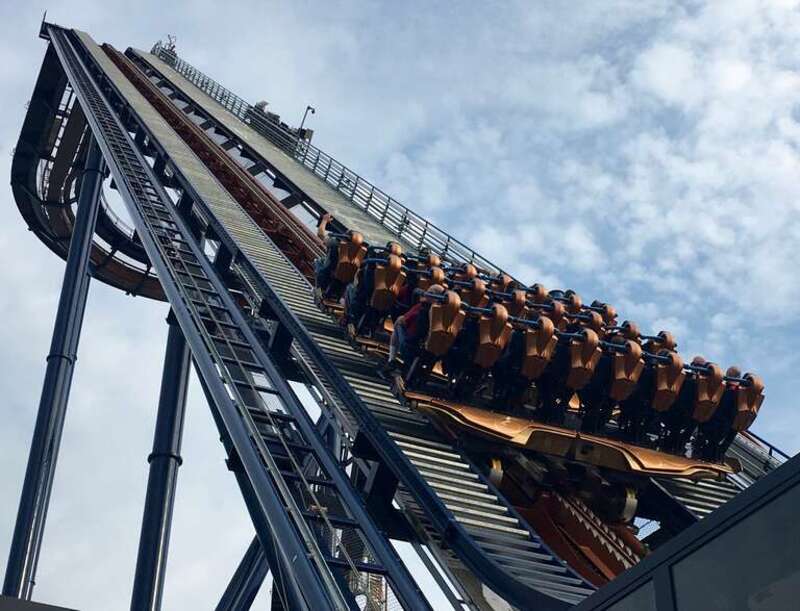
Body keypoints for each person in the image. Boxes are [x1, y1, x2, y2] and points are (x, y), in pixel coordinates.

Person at [386, 284, 445, 377]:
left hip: (409, 348)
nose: (426, 294)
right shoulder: (443, 316)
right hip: (430, 356)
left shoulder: (422, 308)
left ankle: (391, 360)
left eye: (430, 293)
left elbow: (402, 321)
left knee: (398, 321)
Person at [314, 213, 338, 295]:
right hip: (342, 274)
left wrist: (324, 220)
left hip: (329, 270)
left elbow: (321, 234)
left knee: (318, 261)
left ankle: (318, 290)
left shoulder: (336, 242)